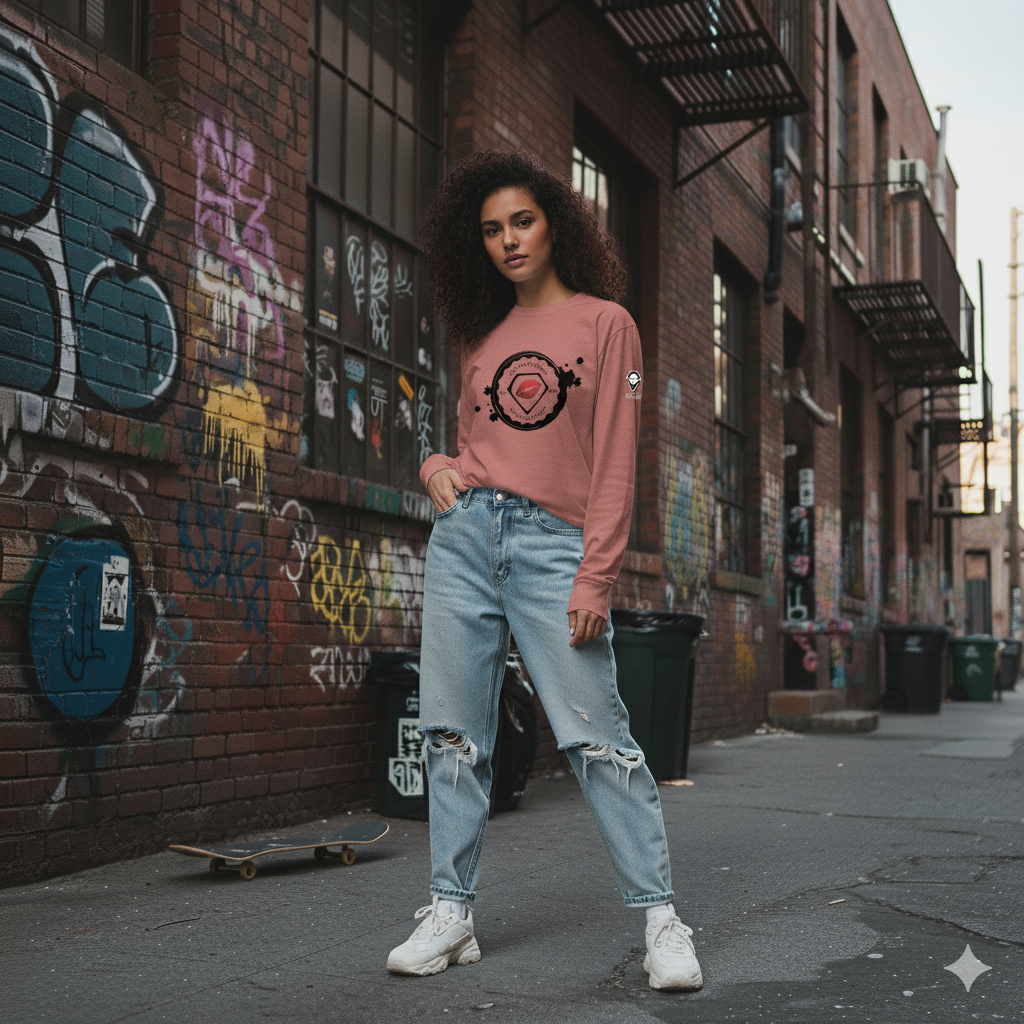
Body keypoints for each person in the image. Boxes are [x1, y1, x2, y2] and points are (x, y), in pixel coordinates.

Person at [386, 150, 702, 992]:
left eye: (521, 221)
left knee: (598, 738)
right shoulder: (483, 337)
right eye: (491, 230)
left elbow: (615, 455)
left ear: (555, 222)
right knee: (452, 733)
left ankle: (662, 919)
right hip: (465, 539)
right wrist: (433, 469)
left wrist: (596, 575)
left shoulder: (612, 328)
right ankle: (450, 914)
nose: (508, 241)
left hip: (555, 549)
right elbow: (470, 448)